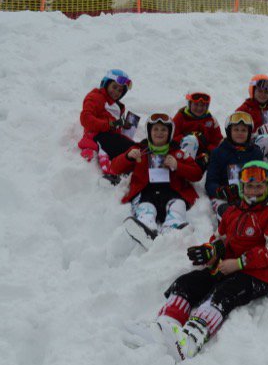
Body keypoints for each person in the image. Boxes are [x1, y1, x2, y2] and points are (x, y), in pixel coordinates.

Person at [145, 161, 268, 361]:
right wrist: (211, 251)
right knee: (189, 281)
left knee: (223, 293)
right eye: (249, 186)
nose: (253, 191)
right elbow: (220, 238)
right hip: (229, 266)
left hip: (259, 274)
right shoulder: (234, 211)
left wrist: (239, 263)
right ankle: (166, 323)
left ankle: (191, 339)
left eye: (259, 186)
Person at [111, 114, 204, 249]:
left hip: (172, 192)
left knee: (177, 206)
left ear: (169, 133)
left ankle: (173, 229)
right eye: (156, 129)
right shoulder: (139, 150)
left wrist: (178, 166)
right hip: (146, 193)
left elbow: (197, 174)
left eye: (163, 130)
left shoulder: (178, 153)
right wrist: (128, 157)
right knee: (145, 208)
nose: (159, 133)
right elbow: (114, 168)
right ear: (149, 132)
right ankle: (146, 228)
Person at [79, 69, 136, 185]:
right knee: (131, 149)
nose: (116, 92)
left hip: (109, 135)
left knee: (133, 148)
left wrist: (123, 125)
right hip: (97, 135)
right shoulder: (96, 97)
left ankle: (131, 171)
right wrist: (111, 124)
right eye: (114, 87)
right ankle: (115, 174)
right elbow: (85, 118)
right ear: (106, 84)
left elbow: (113, 126)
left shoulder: (117, 106)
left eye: (120, 90)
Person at [205, 111, 263, 221]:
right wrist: (221, 190)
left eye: (244, 130)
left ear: (249, 132)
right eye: (236, 130)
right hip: (224, 197)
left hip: (249, 195)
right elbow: (210, 182)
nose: (240, 133)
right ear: (229, 131)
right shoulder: (218, 152)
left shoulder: (256, 153)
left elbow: (263, 179)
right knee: (230, 214)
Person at [236, 75, 268, 160]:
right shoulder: (243, 111)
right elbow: (235, 137)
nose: (263, 94)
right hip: (246, 154)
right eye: (260, 91)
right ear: (253, 91)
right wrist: (256, 134)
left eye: (266, 92)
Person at [172, 91, 223, 159]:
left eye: (203, 105)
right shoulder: (180, 117)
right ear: (190, 104)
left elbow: (218, 143)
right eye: (196, 104)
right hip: (182, 156)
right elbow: (171, 140)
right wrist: (186, 135)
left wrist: (208, 149)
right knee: (191, 140)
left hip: (204, 157)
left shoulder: (211, 120)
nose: (199, 108)